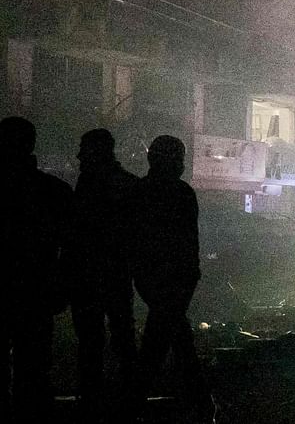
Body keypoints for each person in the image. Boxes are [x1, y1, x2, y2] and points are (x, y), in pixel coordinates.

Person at [127, 135, 216, 423]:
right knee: (173, 340)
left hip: (155, 281)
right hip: (173, 282)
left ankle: (137, 402)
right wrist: (189, 277)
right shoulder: (180, 193)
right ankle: (201, 403)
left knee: (167, 339)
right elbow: (188, 244)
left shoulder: (141, 192)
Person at [0, 117, 73, 424]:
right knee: (35, 369)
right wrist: (61, 287)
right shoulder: (54, 191)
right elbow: (70, 247)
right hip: (37, 292)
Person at [65, 129, 138, 422]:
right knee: (121, 335)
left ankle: (93, 397)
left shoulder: (89, 184)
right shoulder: (127, 184)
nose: (80, 156)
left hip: (90, 274)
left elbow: (76, 234)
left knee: (91, 339)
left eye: (85, 149)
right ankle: (130, 395)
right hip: (115, 274)